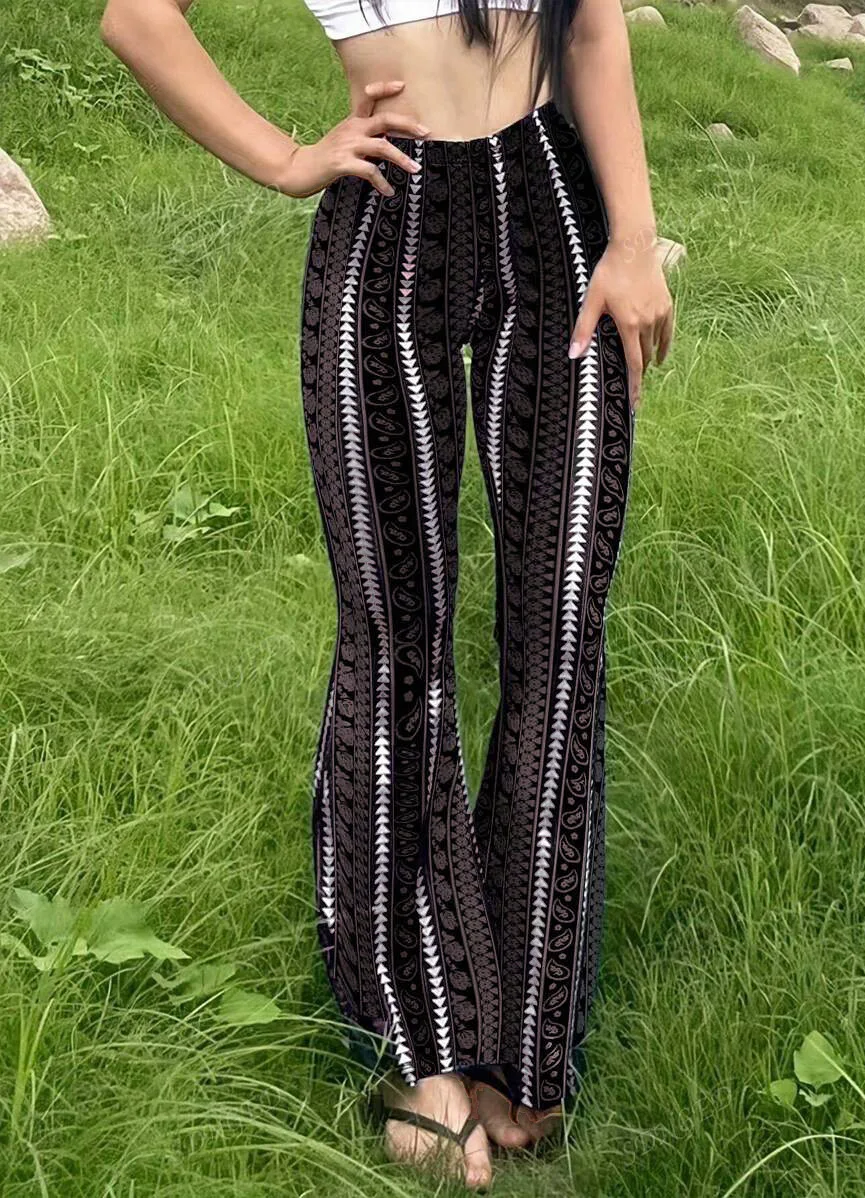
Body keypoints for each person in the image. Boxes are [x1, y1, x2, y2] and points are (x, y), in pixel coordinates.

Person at [99, 0, 674, 1188]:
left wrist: (633, 239)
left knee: (560, 633)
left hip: (556, 215)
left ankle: (528, 1041)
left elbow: (590, 29)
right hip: (389, 220)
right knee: (399, 633)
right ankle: (423, 1046)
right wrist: (284, 158)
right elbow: (137, 18)